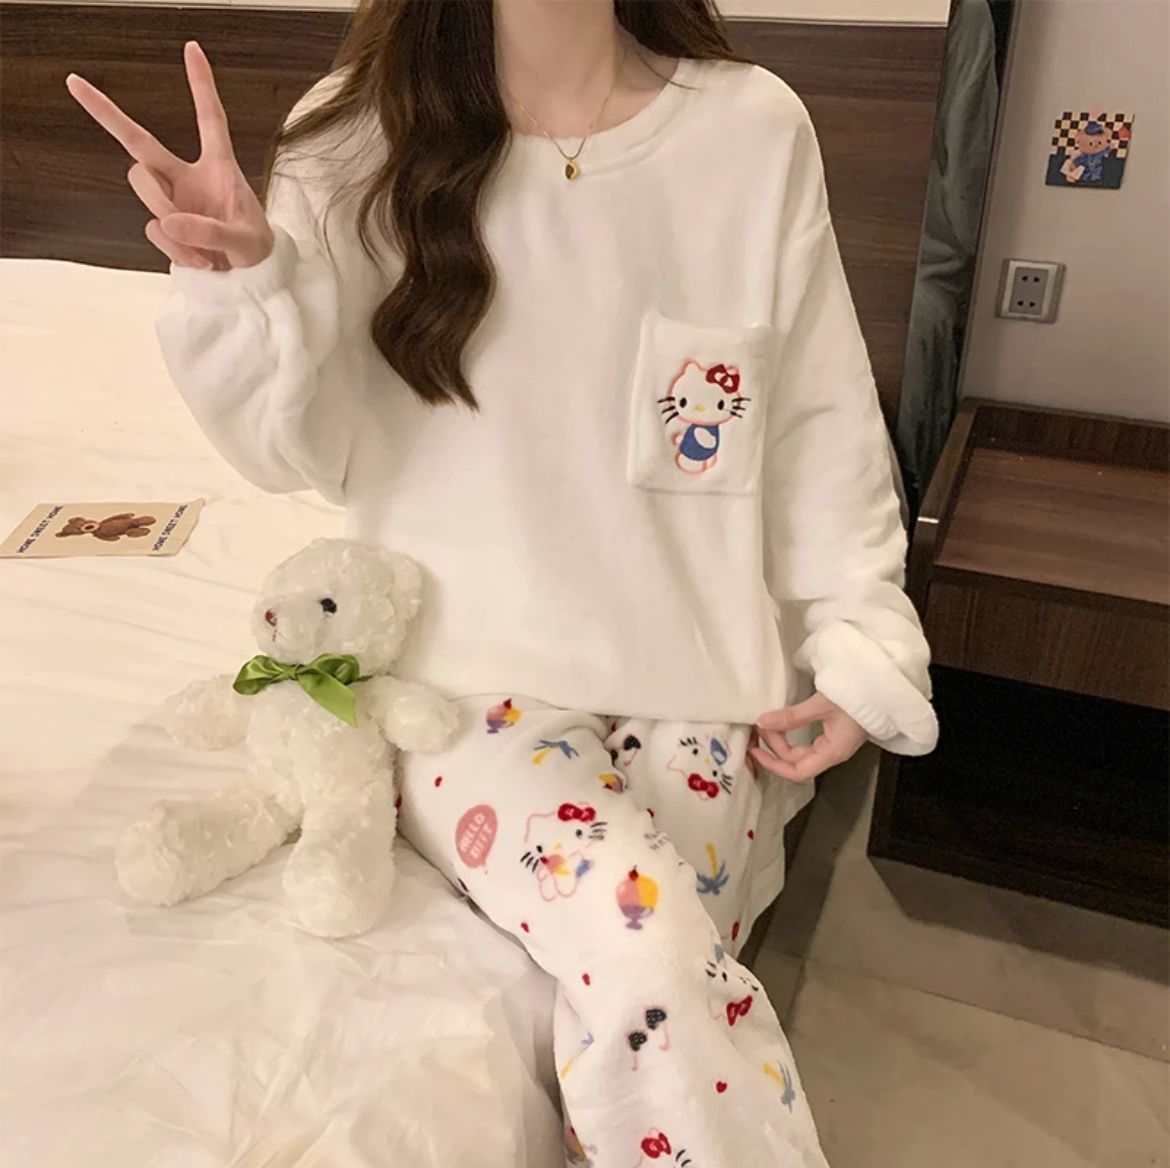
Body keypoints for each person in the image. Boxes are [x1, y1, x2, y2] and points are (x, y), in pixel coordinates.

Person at [68, 2, 937, 1164]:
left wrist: (859, 632)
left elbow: (816, 419)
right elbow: (299, 453)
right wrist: (244, 288)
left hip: (697, 684)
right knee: (650, 961)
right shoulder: (350, 139)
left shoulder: (750, 130)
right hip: (463, 693)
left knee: (669, 989)